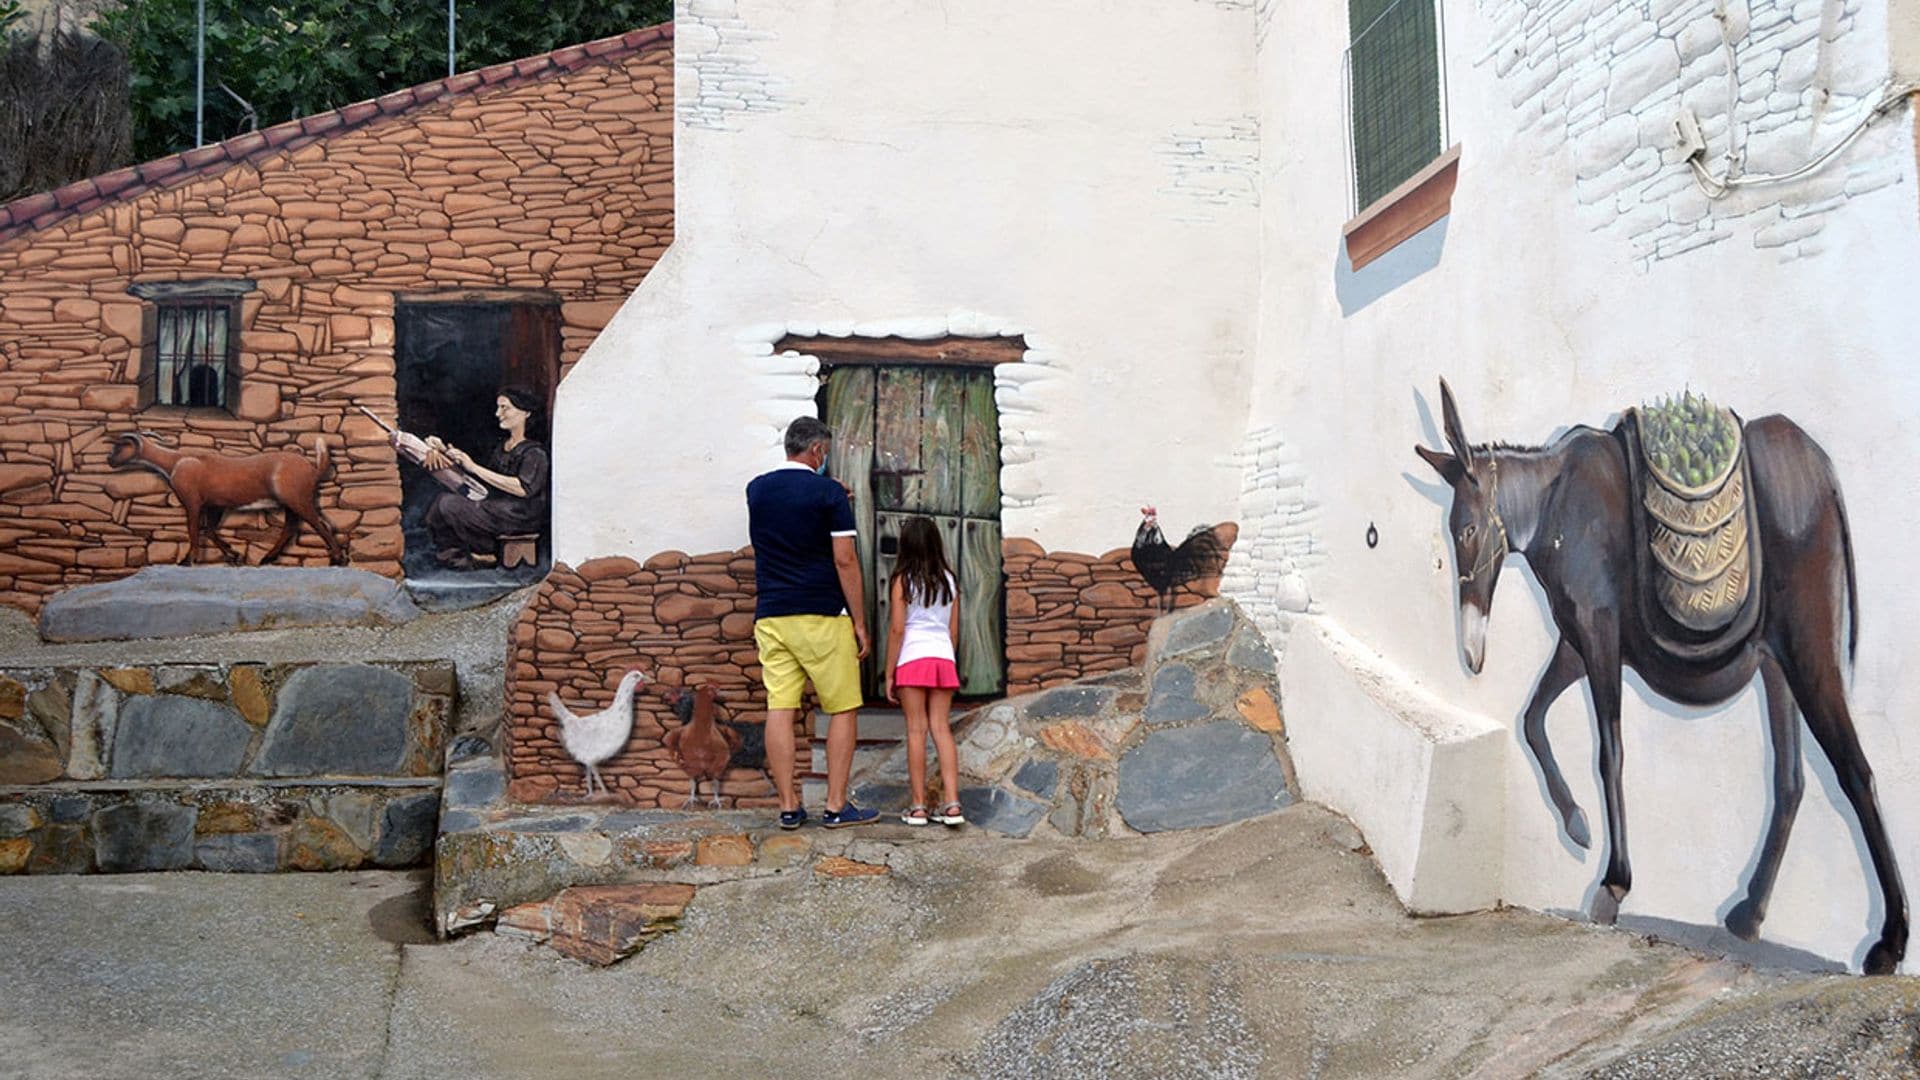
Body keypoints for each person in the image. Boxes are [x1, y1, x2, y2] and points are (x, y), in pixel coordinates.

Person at [747, 416, 878, 830]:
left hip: (772, 616)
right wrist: (859, 621)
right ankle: (836, 805)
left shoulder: (757, 489)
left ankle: (788, 806)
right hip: (822, 613)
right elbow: (844, 559)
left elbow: (790, 504)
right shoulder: (828, 495)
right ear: (818, 451)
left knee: (780, 708)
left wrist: (829, 489)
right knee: (842, 709)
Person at [882, 516, 965, 827]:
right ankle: (952, 804)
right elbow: (954, 632)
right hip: (942, 657)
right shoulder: (950, 580)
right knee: (941, 729)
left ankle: (918, 807)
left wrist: (889, 673)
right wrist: (947, 658)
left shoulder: (902, 580)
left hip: (913, 656)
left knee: (916, 731)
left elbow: (897, 630)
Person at [420, 386, 550, 570]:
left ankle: (484, 551)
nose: (498, 413)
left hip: (521, 513)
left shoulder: (534, 452)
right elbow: (485, 481)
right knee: (442, 502)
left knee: (449, 504)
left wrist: (473, 467)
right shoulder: (502, 447)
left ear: (526, 413)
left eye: (505, 408)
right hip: (499, 506)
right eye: (498, 408)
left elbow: (523, 488)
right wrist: (445, 452)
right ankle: (453, 556)